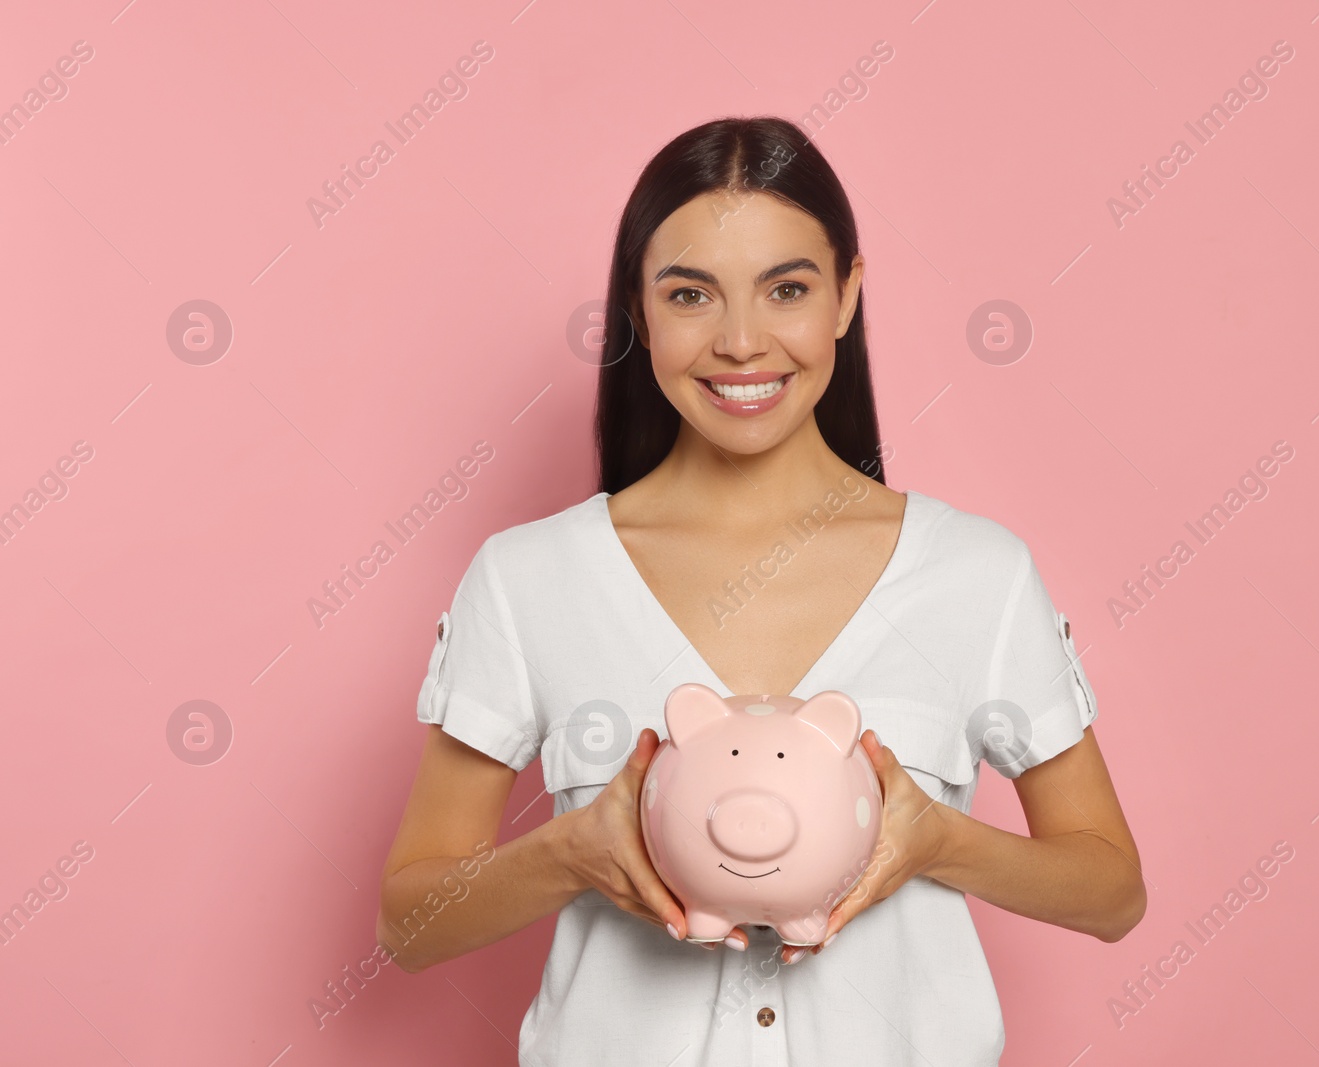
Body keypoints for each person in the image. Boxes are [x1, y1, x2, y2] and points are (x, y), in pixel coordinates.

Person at [376, 115, 1145, 1065]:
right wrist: (570, 850)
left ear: (846, 297)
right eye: (692, 293)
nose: (741, 343)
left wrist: (935, 841)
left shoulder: (975, 574)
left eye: (786, 288)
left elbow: (1112, 891)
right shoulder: (530, 578)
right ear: (639, 311)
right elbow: (412, 922)